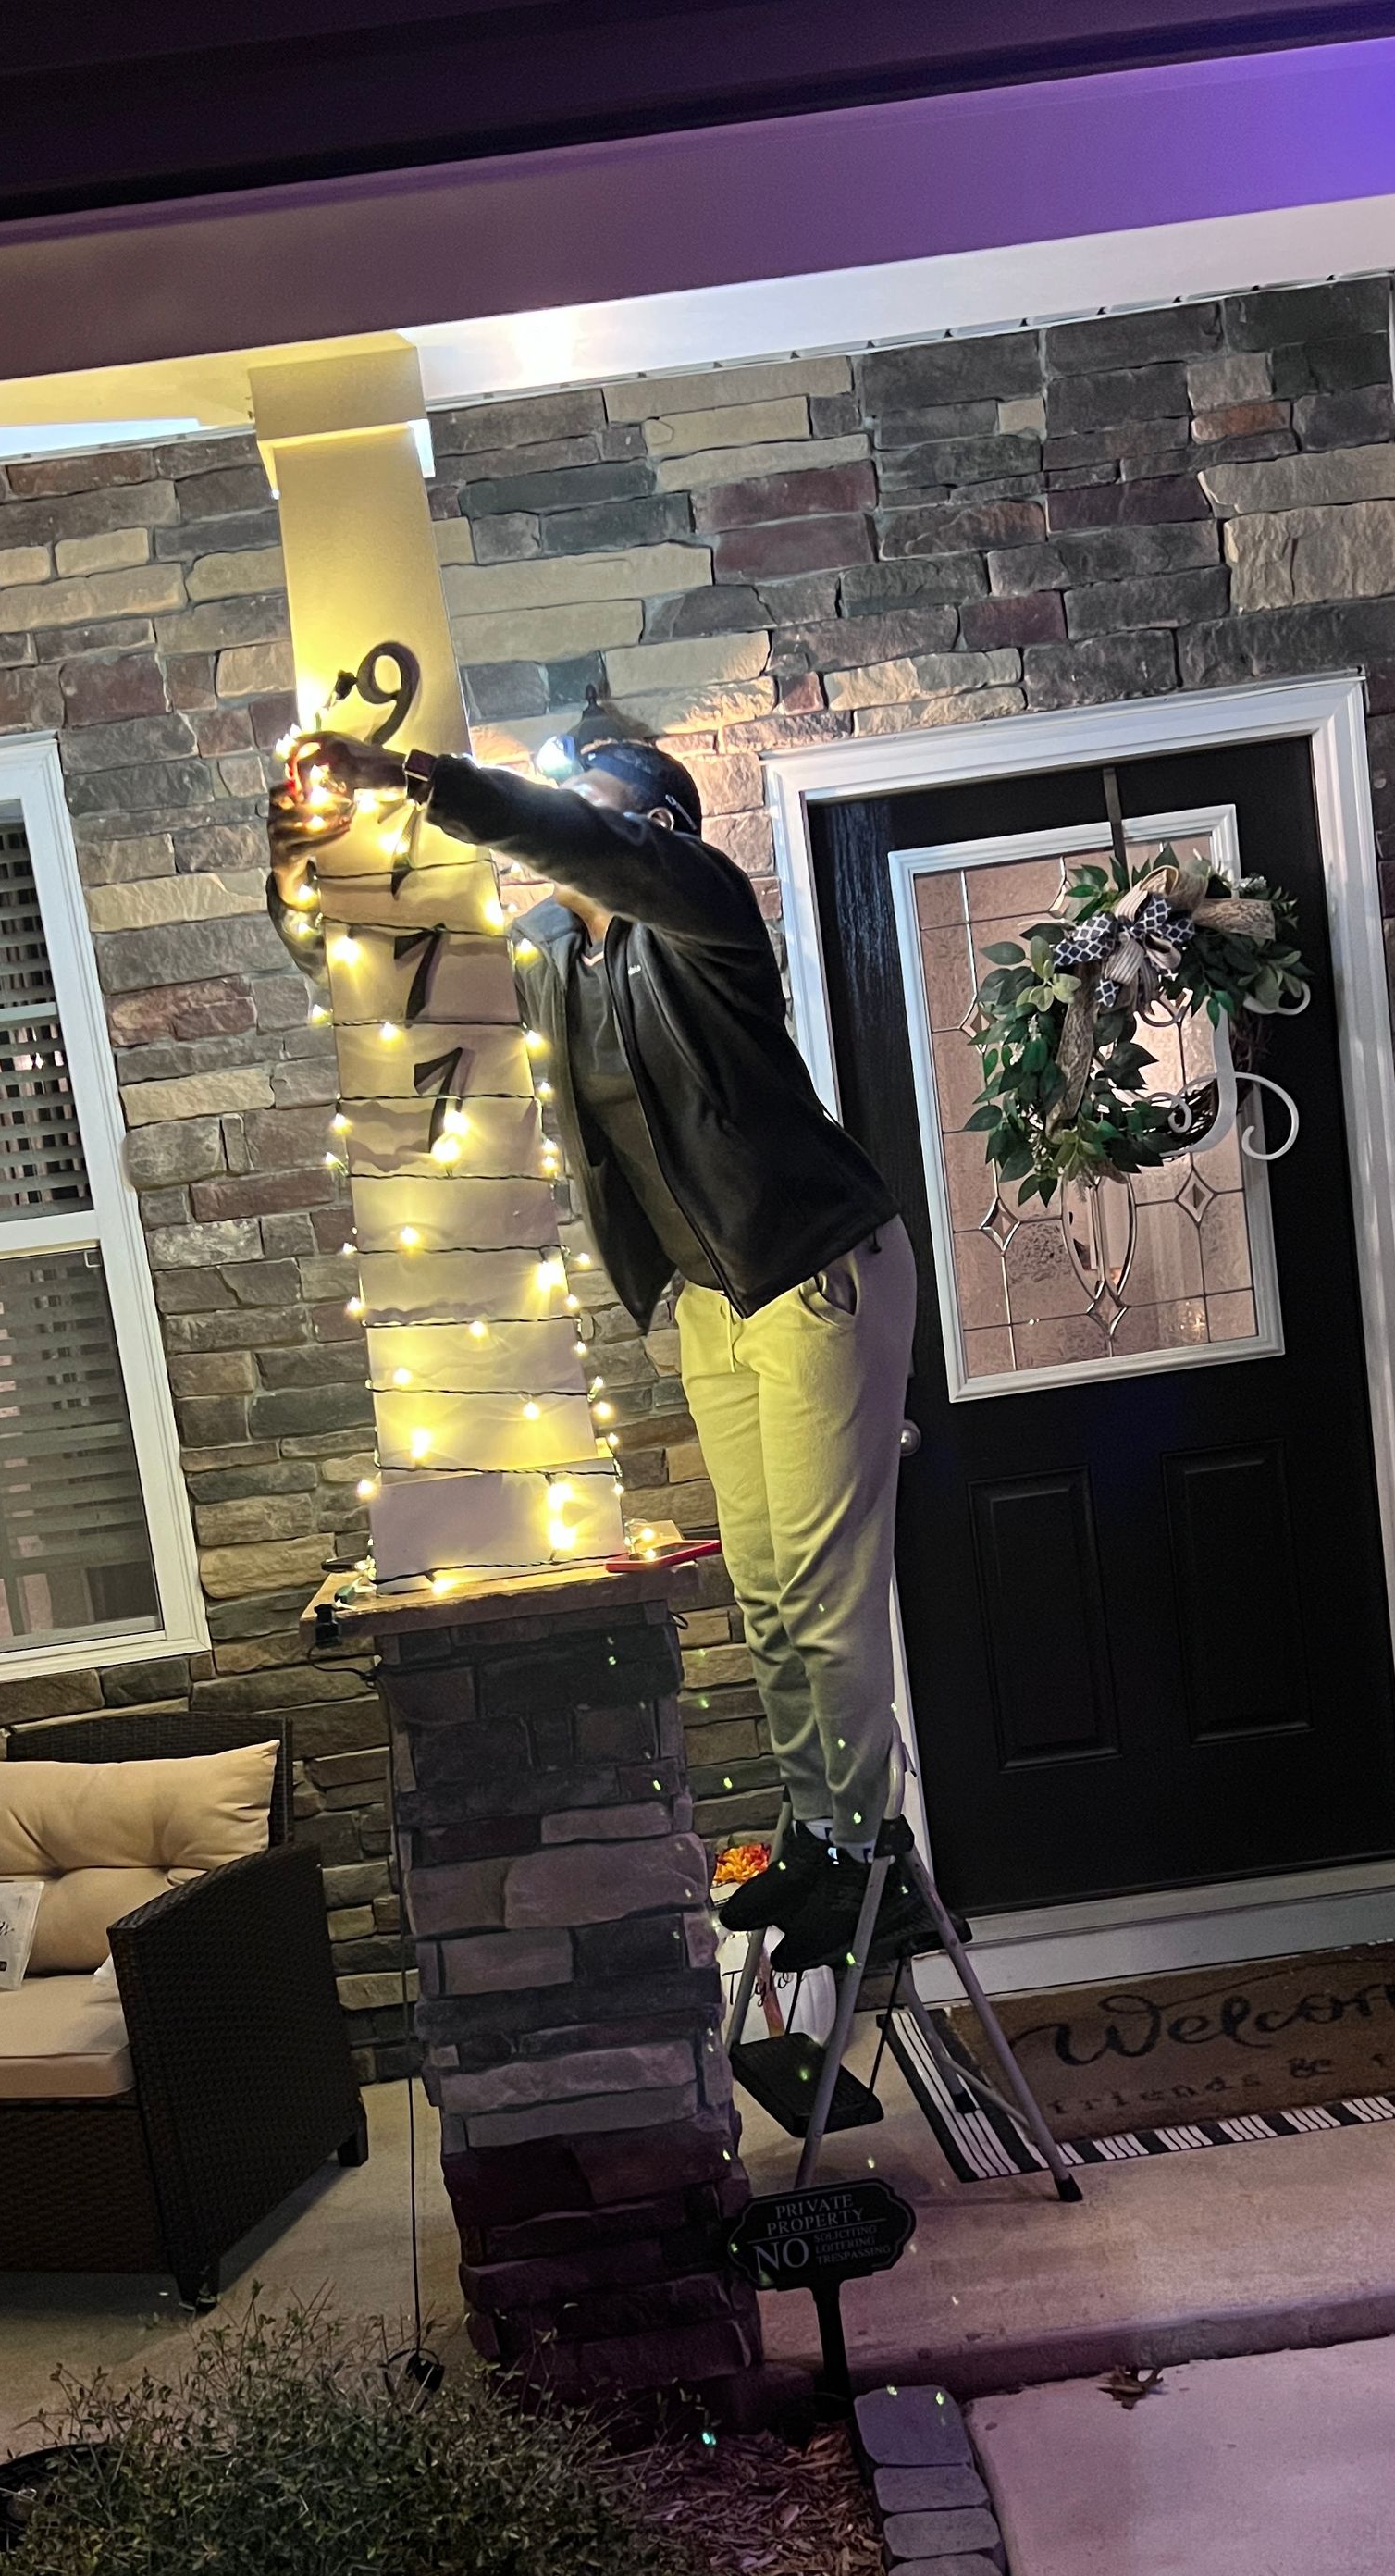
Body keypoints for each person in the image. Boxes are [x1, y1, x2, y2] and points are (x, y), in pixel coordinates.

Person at [268, 724, 925, 1973]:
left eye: (585, 798)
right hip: (714, 1298)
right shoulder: (554, 955)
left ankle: (866, 1858)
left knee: (823, 1592)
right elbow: (400, 987)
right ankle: (820, 1831)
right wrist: (299, 880)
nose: (556, 811)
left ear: (653, 826)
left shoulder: (701, 912)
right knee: (768, 1593)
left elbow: (590, 845)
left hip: (818, 1269)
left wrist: (421, 778)